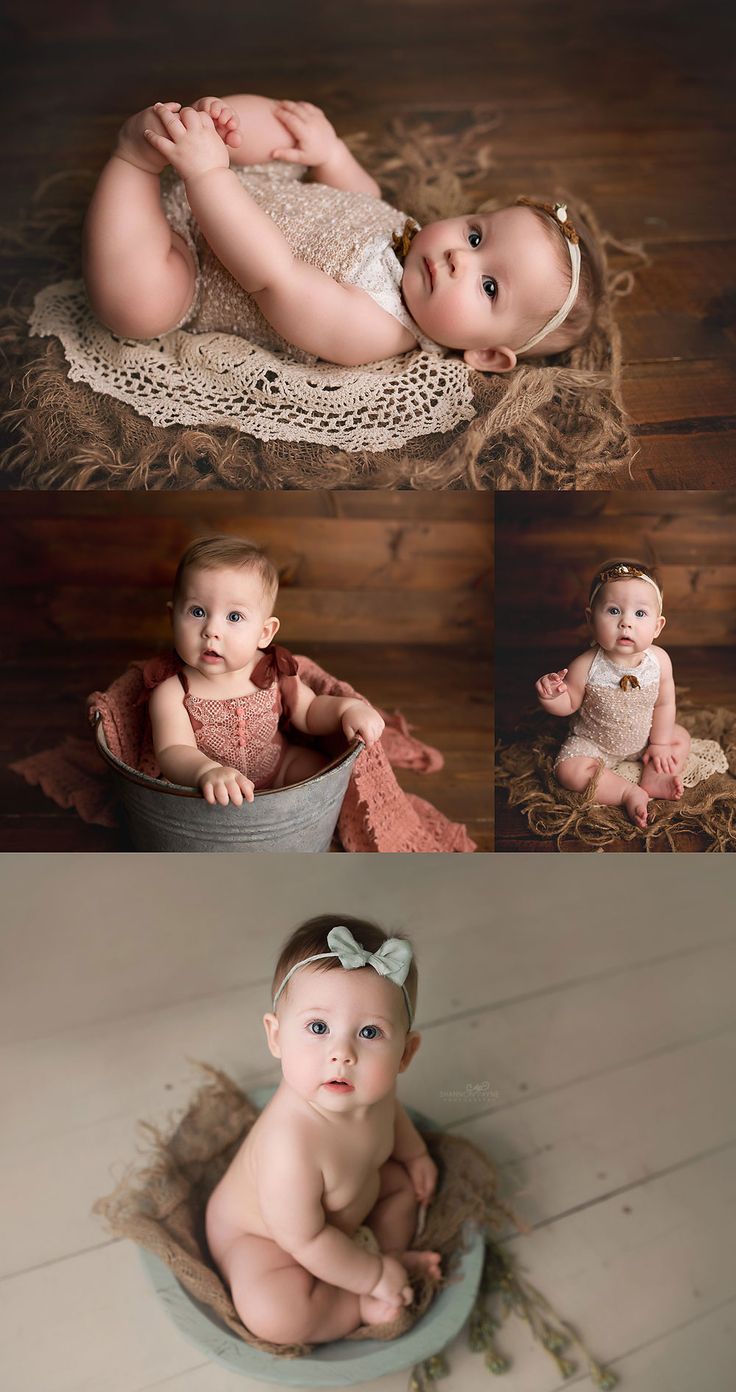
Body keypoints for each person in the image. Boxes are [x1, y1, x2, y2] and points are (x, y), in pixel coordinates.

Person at [83, 93, 600, 370]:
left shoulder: (375, 329)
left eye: (489, 288)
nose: (459, 259)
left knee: (136, 307)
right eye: (475, 236)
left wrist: (208, 176)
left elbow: (273, 275)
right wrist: (331, 154)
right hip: (250, 183)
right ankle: (191, 125)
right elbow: (362, 199)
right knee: (291, 128)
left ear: (485, 354)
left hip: (191, 262)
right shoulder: (413, 238)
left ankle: (135, 158)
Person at [205, 915, 441, 1343]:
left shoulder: (374, 1091)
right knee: (275, 1315)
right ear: (276, 1037)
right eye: (318, 1028)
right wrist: (370, 1278)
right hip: (271, 1242)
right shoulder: (289, 1146)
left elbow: (394, 1117)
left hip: (342, 1212)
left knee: (403, 1188)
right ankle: (359, 1298)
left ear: (405, 1054)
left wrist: (415, 1154)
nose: (342, 1053)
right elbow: (306, 1238)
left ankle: (386, 1259)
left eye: (370, 1032)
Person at [149, 536, 385, 805]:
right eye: (198, 611)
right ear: (172, 618)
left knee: (325, 773)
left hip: (280, 767)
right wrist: (206, 771)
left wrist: (346, 709)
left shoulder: (273, 670)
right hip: (209, 792)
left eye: (234, 617)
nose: (211, 630)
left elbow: (309, 712)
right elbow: (172, 750)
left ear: (264, 633)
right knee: (180, 800)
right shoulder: (172, 690)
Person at [535, 560, 691, 829]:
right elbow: (569, 703)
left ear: (658, 626)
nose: (626, 623)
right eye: (614, 611)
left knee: (681, 738)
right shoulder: (586, 665)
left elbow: (665, 703)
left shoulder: (660, 662)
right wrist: (551, 696)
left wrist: (660, 743)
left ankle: (653, 777)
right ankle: (626, 792)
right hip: (595, 744)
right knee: (568, 771)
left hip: (644, 737)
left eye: (640, 614)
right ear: (591, 619)